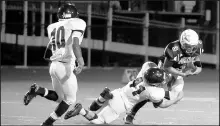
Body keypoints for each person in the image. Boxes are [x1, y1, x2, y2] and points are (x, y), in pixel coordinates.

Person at [23, 3, 86, 126]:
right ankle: (48, 123)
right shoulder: (78, 22)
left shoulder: (51, 27)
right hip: (65, 65)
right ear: (73, 14)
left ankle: (39, 90)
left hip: (54, 66)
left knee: (59, 98)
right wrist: (81, 60)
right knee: (70, 100)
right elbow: (75, 43)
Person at [124, 29, 204, 124]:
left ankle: (156, 100)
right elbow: (167, 67)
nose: (191, 50)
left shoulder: (198, 46)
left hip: (178, 71)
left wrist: (195, 70)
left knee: (175, 96)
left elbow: (197, 62)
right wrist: (182, 74)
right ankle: (131, 114)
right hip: (164, 71)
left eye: (193, 47)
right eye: (188, 46)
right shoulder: (173, 48)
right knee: (149, 92)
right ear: (182, 43)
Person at [63, 61, 183, 124]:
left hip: (118, 93)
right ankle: (81, 111)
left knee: (93, 108)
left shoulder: (145, 70)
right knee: (99, 121)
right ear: (155, 83)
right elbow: (162, 105)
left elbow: (151, 65)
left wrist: (159, 70)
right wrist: (176, 99)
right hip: (121, 105)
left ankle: (102, 98)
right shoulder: (154, 92)